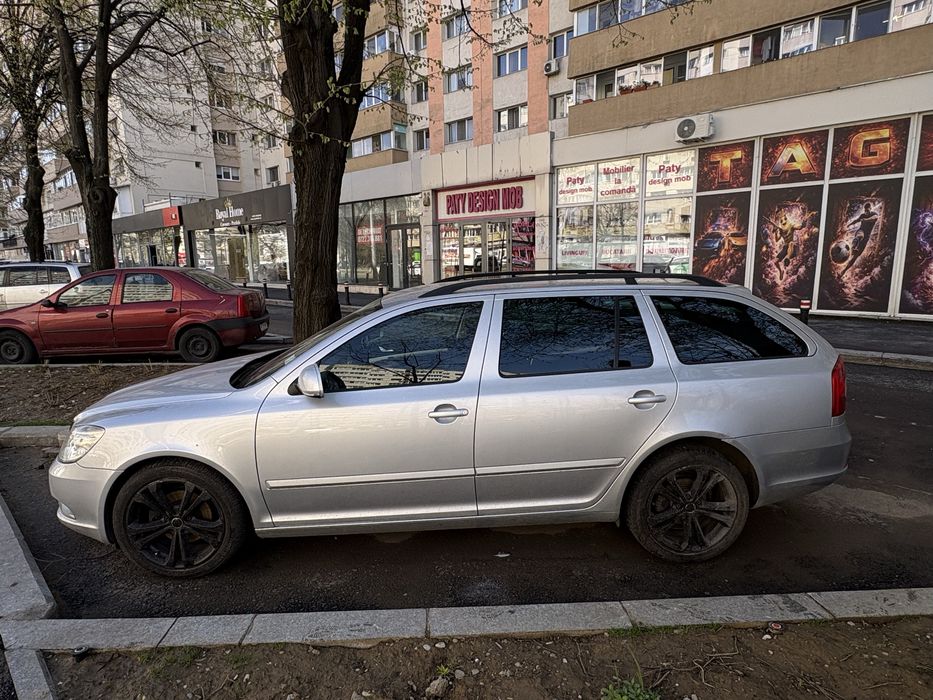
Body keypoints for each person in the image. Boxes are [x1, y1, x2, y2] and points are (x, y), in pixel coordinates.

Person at [841, 202, 879, 275]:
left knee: (855, 257)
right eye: (865, 211)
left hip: (866, 238)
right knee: (860, 236)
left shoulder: (874, 214)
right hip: (860, 231)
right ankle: (853, 247)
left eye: (868, 210)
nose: (866, 212)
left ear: (870, 209)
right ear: (864, 210)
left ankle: (843, 271)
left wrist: (866, 220)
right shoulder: (863, 215)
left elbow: (875, 218)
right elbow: (856, 221)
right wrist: (849, 225)